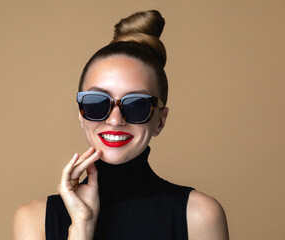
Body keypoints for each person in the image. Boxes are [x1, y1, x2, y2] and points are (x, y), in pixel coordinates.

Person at [12, 10, 229, 240]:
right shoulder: (34, 220)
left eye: (137, 105)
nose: (115, 120)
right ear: (81, 112)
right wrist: (81, 228)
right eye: (97, 103)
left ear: (160, 120)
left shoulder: (199, 216)